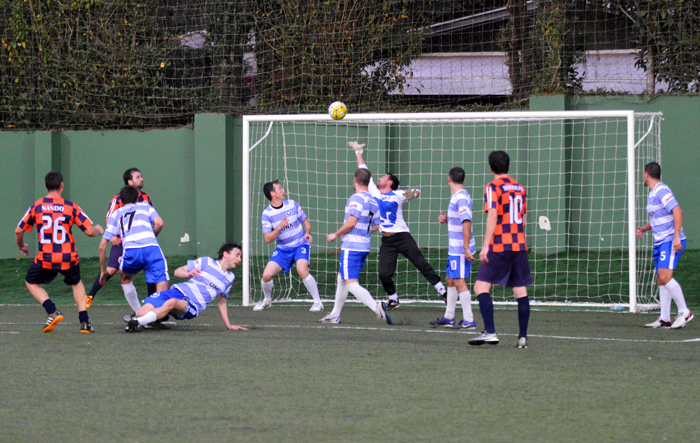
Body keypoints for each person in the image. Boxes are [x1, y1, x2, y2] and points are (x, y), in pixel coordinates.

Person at [349, 141, 447, 309]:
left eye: (385, 177)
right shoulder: (374, 192)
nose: (381, 177)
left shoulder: (398, 194)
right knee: (384, 273)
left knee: (421, 264)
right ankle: (393, 299)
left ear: (390, 183)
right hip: (387, 240)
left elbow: (417, 192)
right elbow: (364, 171)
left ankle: (444, 292)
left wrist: (414, 194)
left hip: (402, 237)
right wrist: (358, 152)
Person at [15, 171, 104, 333]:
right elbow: (90, 231)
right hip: (68, 256)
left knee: (31, 281)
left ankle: (52, 310)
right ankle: (85, 323)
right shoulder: (70, 207)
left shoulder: (37, 206)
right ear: (62, 186)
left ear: (45, 186)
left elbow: (18, 231)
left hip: (46, 257)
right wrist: (98, 230)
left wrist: (21, 246)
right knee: (76, 284)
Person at [468, 150, 532, 348]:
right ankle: (522, 337)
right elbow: (523, 216)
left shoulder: (492, 187)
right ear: (508, 166)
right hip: (518, 243)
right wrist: (521, 237)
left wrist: (486, 245)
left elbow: (493, 215)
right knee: (520, 291)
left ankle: (490, 332)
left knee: (480, 287)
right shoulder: (520, 188)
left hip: (500, 244)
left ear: (490, 168)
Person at [318, 167, 392, 325]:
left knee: (351, 283)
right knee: (341, 278)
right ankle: (334, 314)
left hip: (351, 246)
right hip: (364, 246)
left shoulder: (356, 198)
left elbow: (351, 223)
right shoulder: (373, 201)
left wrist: (335, 234)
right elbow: (377, 226)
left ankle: (375, 307)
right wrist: (363, 229)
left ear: (355, 180)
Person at [125, 243, 248, 331]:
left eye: (240, 256)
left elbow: (221, 302)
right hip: (178, 291)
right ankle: (150, 319)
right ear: (226, 254)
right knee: (140, 313)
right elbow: (177, 271)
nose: (239, 259)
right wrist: (187, 273)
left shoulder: (229, 278)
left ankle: (137, 322)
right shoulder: (206, 262)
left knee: (171, 303)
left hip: (192, 304)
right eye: (237, 255)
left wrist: (228, 325)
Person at [86, 167, 154, 308]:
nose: (141, 179)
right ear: (129, 181)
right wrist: (113, 236)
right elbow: (109, 217)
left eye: (141, 176)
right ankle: (90, 295)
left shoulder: (145, 197)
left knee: (151, 270)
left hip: (141, 242)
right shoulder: (119, 199)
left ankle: (151, 306)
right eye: (138, 177)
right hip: (123, 241)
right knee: (111, 270)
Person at [637, 162, 693, 329]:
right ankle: (664, 318)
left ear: (646, 174)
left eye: (642, 173)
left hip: (670, 240)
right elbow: (658, 217)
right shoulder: (653, 193)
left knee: (664, 278)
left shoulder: (662, 190)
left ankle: (685, 312)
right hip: (660, 241)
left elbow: (677, 210)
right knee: (661, 281)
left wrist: (676, 237)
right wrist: (644, 229)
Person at [253, 180, 323, 312]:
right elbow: (267, 238)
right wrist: (279, 227)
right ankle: (267, 300)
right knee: (266, 276)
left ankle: (318, 302)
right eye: (280, 189)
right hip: (283, 249)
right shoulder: (267, 214)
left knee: (302, 270)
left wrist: (307, 233)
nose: (283, 190)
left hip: (300, 244)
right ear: (272, 193)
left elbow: (306, 223)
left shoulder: (292, 204)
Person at [100, 185, 169, 318]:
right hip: (152, 248)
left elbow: (102, 246)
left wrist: (104, 270)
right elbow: (159, 223)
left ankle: (139, 313)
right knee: (161, 281)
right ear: (137, 197)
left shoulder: (116, 213)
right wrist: (153, 236)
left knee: (124, 276)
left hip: (131, 250)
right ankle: (157, 314)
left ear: (121, 200)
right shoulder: (145, 206)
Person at [429, 167, 477, 329]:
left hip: (460, 249)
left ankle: (469, 319)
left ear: (448, 179)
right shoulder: (458, 197)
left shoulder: (461, 198)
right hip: (455, 248)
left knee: (458, 281)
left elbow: (466, 222)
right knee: (450, 279)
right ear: (463, 180)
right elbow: (459, 219)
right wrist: (447, 219)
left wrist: (465, 247)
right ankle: (449, 317)